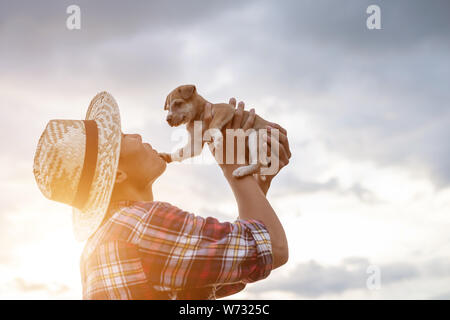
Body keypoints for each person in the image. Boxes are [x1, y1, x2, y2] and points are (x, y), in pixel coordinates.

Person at [33, 92, 291, 299]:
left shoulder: (98, 245)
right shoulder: (143, 224)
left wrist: (254, 182)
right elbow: (271, 249)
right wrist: (233, 166)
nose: (137, 135)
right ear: (118, 174)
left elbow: (237, 262)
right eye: (122, 138)